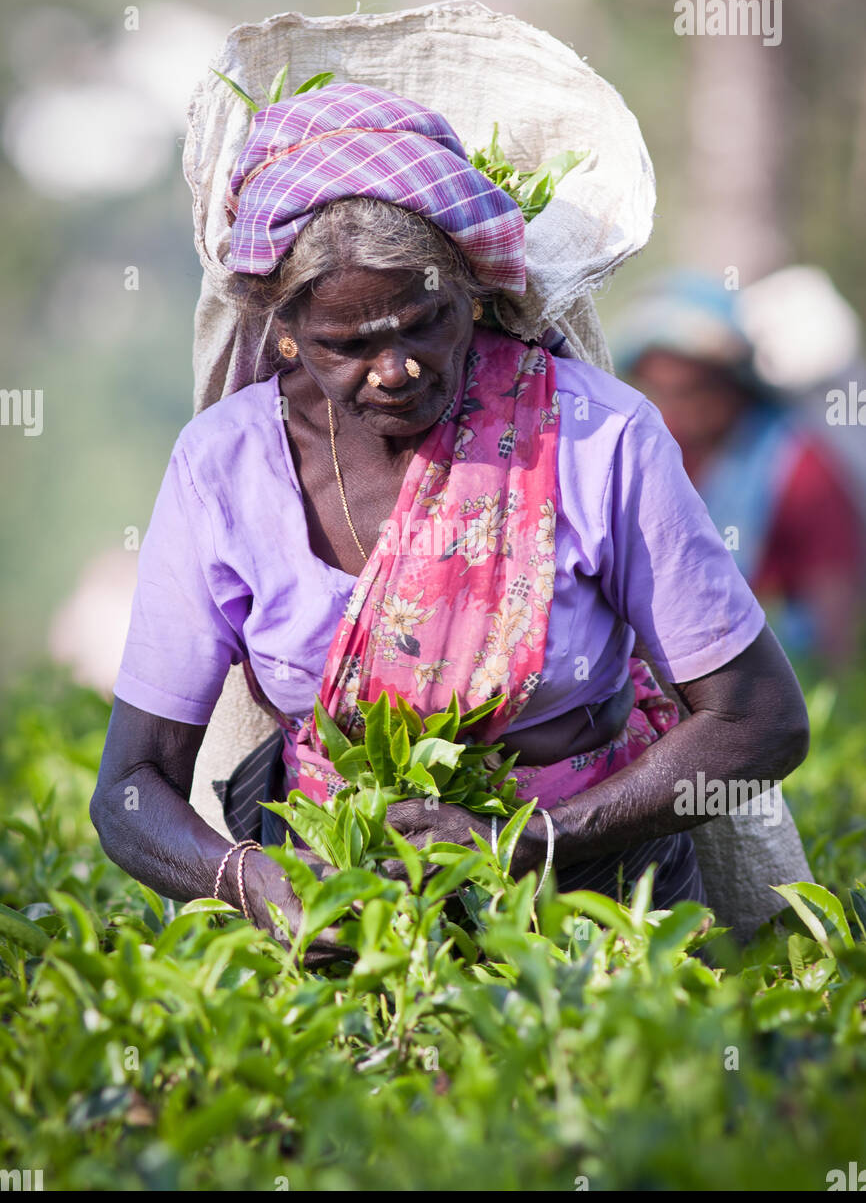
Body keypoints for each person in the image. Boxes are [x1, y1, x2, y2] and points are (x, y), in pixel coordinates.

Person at [90, 84, 810, 966]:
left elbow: (760, 722)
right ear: (284, 336)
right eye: (346, 346)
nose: (392, 371)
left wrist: (532, 841)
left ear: (469, 292)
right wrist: (251, 883)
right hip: (328, 913)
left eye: (422, 324)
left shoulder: (596, 437)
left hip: (592, 901)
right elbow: (129, 787)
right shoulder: (222, 468)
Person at [612, 271, 865, 665]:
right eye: (661, 390)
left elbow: (831, 617)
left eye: (694, 388)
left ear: (734, 381)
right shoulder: (665, 448)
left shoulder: (798, 467)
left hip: (776, 670)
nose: (679, 407)